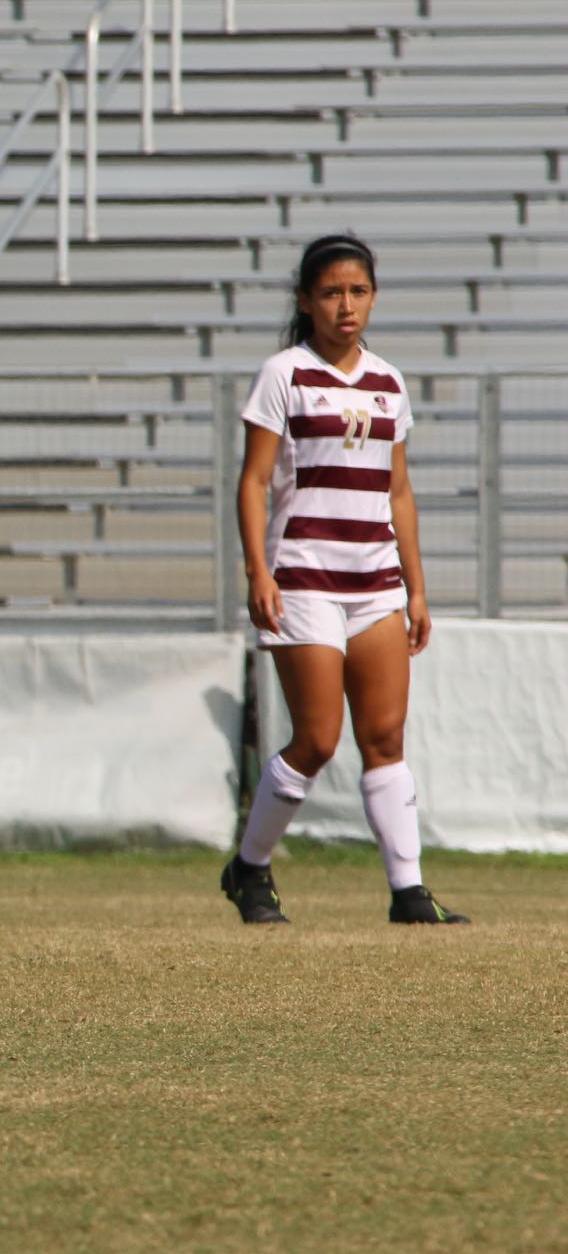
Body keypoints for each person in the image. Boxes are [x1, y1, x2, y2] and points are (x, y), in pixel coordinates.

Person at [221, 234, 466, 927]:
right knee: (318, 740)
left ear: (374, 296)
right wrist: (257, 571)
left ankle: (409, 892)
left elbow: (400, 494)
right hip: (303, 580)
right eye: (331, 292)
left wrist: (415, 589)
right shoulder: (284, 375)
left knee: (385, 738)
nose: (346, 305)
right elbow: (253, 480)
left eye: (358, 291)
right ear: (306, 300)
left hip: (376, 584)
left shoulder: (388, 382)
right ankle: (251, 868)